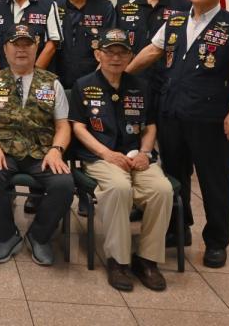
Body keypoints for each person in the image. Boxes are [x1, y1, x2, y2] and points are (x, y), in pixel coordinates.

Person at [127, 0, 229, 269]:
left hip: (211, 118)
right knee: (176, 176)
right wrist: (122, 76)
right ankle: (178, 229)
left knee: (215, 180)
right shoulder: (175, 20)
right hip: (172, 114)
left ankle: (216, 242)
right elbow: (152, 51)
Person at [70, 28, 172, 292]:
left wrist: (145, 153)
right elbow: (79, 128)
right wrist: (106, 154)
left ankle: (147, 260)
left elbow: (149, 126)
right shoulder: (84, 85)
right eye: (109, 51)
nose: (115, 58)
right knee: (119, 188)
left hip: (137, 157)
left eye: (122, 52)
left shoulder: (140, 86)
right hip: (100, 157)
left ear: (130, 56)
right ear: (98, 54)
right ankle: (119, 261)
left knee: (162, 190)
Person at [0, 24, 73, 266]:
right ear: (5, 49)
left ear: (36, 47)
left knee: (64, 183)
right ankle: (6, 235)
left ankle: (39, 236)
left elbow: (63, 126)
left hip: (42, 153)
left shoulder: (51, 84)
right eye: (15, 44)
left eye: (27, 44)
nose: (21, 49)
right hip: (5, 151)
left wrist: (56, 150)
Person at [0, 0, 63, 214]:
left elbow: (53, 41)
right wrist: (1, 76)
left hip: (35, 79)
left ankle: (36, 194)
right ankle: (4, 192)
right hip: (3, 82)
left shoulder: (47, 5)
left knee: (36, 128)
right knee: (4, 129)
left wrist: (30, 73)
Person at [52, 0, 115, 90]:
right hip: (55, 84)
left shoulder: (105, 7)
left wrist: (94, 82)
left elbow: (109, 48)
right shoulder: (53, 6)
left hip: (94, 84)